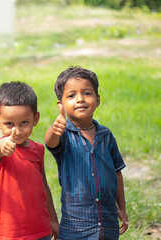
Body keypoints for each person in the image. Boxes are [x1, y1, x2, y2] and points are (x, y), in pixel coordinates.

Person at [44, 66, 129, 239]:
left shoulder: (106, 135)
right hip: (75, 226)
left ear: (98, 100)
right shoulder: (63, 134)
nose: (80, 99)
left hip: (107, 222)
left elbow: (116, 172)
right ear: (60, 104)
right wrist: (54, 128)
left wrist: (122, 207)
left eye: (87, 93)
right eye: (71, 95)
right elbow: (50, 142)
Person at [0, 81, 59, 240]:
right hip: (9, 233)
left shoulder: (38, 150)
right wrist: (3, 145)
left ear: (35, 118)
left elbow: (44, 186)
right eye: (9, 124)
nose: (17, 131)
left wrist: (53, 219)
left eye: (24, 123)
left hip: (41, 230)